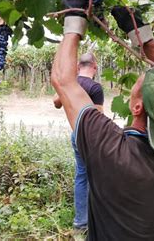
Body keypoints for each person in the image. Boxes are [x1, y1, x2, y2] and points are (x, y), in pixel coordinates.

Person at [51, 0, 154, 240]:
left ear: (137, 106)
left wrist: (74, 18)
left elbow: (63, 81)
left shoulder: (112, 151)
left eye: (144, 80)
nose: (150, 71)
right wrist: (139, 33)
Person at [53, 53, 104, 230]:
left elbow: (56, 102)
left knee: (81, 176)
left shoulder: (71, 84)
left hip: (75, 134)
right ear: (95, 67)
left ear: (77, 67)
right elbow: (99, 117)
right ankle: (97, 220)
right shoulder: (95, 88)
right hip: (90, 136)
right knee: (97, 176)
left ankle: (80, 222)